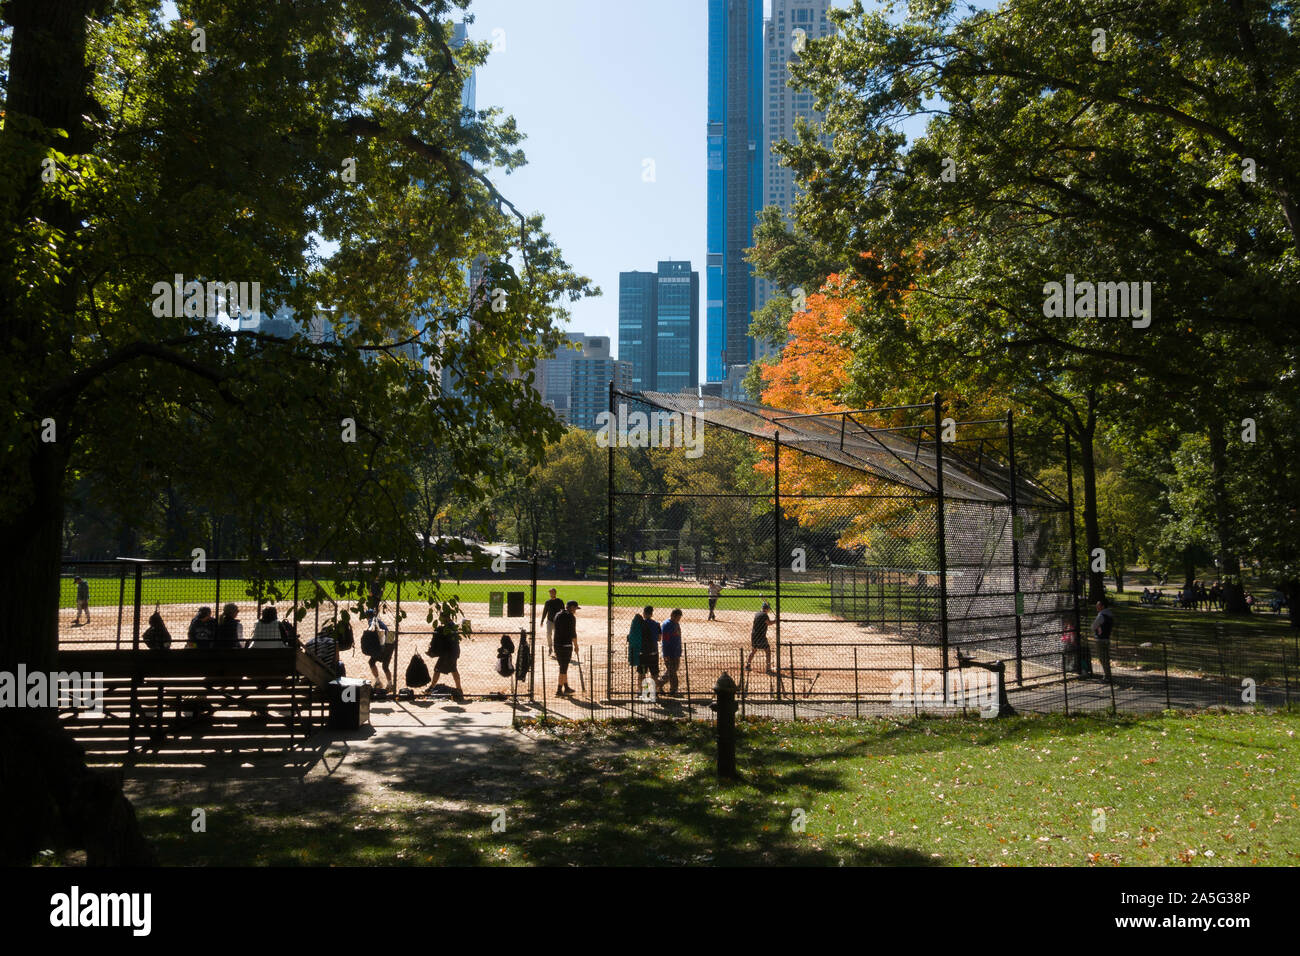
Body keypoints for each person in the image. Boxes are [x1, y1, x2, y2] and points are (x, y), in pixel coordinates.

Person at [428, 610, 465, 701]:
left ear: (446, 617)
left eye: (442, 617)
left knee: (438, 669)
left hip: (449, 653)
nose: (441, 619)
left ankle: (431, 688)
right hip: (451, 653)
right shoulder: (450, 626)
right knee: (453, 669)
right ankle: (459, 689)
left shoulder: (449, 627)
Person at [552, 599, 580, 697]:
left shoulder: (557, 615)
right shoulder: (571, 617)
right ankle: (559, 690)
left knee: (563, 667)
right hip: (566, 645)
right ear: (571, 607)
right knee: (563, 669)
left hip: (557, 645)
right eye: (575, 608)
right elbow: (573, 633)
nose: (575, 610)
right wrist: (576, 646)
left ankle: (566, 687)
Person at [363, 608, 394, 690]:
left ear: (367, 617)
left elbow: (372, 629)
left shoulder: (371, 621)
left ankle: (378, 682)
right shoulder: (378, 620)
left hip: (385, 640)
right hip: (390, 638)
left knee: (371, 662)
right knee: (385, 666)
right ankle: (390, 685)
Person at [659, 609, 684, 695]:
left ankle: (659, 685)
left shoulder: (676, 623)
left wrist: (679, 651)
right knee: (672, 671)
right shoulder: (667, 625)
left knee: (672, 670)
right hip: (669, 653)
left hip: (676, 652)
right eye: (678, 617)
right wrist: (666, 654)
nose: (679, 619)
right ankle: (673, 689)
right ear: (673, 615)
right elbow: (665, 641)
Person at [636, 606, 661, 693]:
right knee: (654, 674)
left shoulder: (640, 624)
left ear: (644, 613)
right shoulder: (657, 624)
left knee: (642, 674)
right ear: (651, 614)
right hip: (653, 653)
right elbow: (659, 638)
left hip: (643, 654)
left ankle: (642, 691)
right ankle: (654, 691)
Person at [746, 601, 773, 674]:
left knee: (754, 650)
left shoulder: (757, 614)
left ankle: (748, 665)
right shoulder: (764, 615)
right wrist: (777, 620)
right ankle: (768, 669)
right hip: (761, 636)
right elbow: (769, 623)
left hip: (754, 635)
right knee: (768, 651)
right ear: (767, 609)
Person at [1091, 598, 1114, 683]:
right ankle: (1108, 675)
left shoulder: (1101, 616)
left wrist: (1096, 629)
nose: (1096, 607)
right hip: (1106, 638)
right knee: (1105, 658)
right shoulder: (1110, 615)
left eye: (1098, 605)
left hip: (1100, 639)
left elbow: (1093, 626)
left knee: (1103, 658)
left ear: (1102, 606)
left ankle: (1107, 677)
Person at [541, 588, 565, 659]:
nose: (551, 594)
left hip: (558, 621)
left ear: (555, 593)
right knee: (548, 634)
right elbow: (545, 611)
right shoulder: (547, 602)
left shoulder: (560, 601)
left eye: (552, 592)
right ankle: (550, 647)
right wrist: (542, 620)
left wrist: (563, 621)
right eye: (550, 593)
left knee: (557, 636)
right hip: (549, 621)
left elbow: (563, 611)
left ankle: (556, 649)